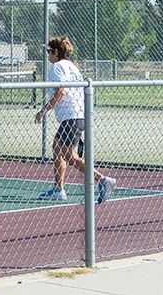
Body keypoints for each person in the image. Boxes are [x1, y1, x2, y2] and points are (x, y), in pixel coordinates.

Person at [34, 36, 116, 203]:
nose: (48, 55)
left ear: (56, 52)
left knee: (70, 156)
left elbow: (61, 92)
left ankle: (102, 180)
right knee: (57, 148)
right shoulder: (72, 67)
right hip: (77, 115)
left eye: (49, 51)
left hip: (71, 117)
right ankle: (59, 189)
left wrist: (43, 111)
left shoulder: (57, 67)